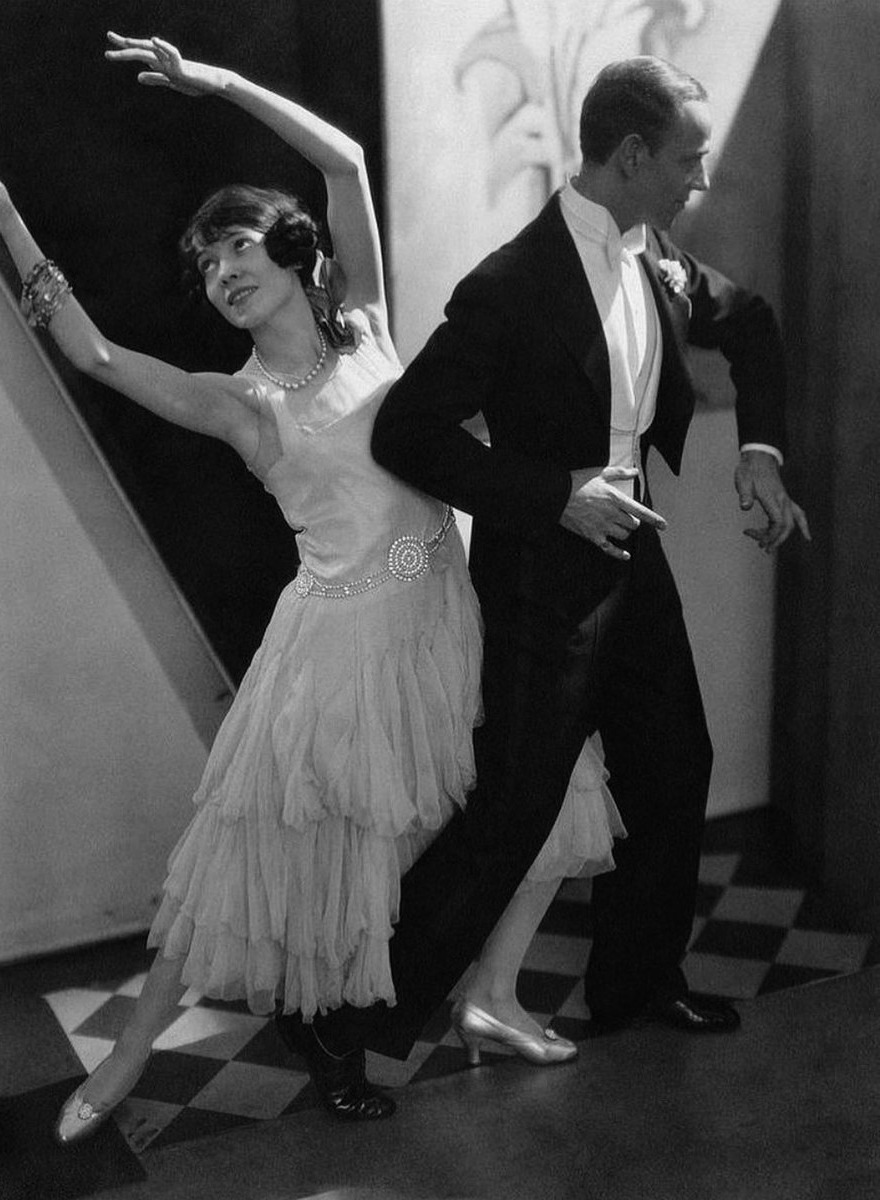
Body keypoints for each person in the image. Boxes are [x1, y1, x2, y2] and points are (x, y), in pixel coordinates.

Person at [0, 33, 625, 1133]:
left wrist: (221, 83)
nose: (221, 274)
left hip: (445, 617)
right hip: (338, 650)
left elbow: (342, 164)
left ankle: (489, 996)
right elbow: (96, 358)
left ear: (290, 249)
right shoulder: (238, 403)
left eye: (234, 247)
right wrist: (4, 214)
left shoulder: (377, 331)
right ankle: (128, 1062)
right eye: (203, 267)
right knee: (277, 864)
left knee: (543, 794)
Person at [303, 54, 811, 1069]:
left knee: (674, 770)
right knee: (513, 803)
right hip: (543, 574)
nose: (695, 179)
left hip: (635, 558)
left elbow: (748, 326)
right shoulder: (507, 286)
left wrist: (758, 453)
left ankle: (633, 986)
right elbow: (409, 433)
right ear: (628, 154)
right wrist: (551, 499)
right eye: (684, 160)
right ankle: (346, 1025)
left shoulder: (653, 251)